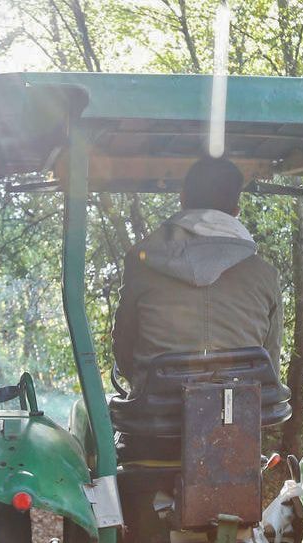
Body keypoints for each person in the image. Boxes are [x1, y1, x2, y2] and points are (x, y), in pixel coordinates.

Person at [112, 156, 283, 395]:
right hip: (239, 419)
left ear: (182, 199)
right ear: (236, 210)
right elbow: (270, 364)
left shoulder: (141, 263)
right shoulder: (266, 275)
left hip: (156, 414)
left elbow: (124, 347)